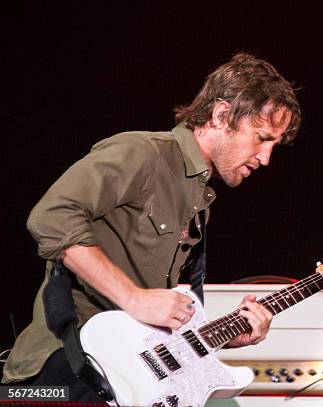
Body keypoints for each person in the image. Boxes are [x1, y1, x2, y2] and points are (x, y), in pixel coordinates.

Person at [2, 52, 301, 401]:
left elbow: (153, 325)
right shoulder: (143, 154)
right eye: (262, 137)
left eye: (273, 146)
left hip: (126, 379)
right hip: (70, 368)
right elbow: (51, 216)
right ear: (222, 115)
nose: (265, 158)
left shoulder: (199, 202)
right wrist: (133, 298)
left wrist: (223, 335)